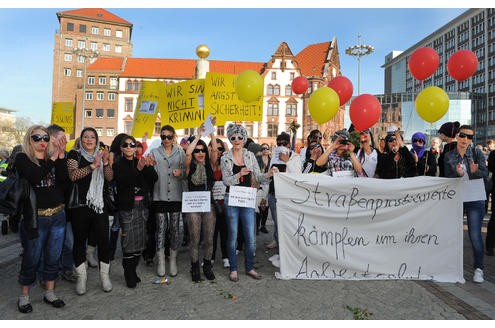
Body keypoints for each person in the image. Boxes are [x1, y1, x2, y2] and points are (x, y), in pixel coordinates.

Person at [15, 125, 68, 313]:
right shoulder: (22, 158)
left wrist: (60, 155)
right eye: (37, 138)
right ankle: (24, 296)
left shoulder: (51, 158)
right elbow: (35, 177)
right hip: (36, 218)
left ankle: (49, 292)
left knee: (53, 256)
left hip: (58, 216)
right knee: (32, 258)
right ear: (29, 139)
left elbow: (64, 182)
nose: (42, 141)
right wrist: (53, 158)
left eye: (45, 138)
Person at [221, 124, 272, 282]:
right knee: (233, 236)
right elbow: (226, 181)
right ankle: (234, 269)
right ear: (230, 139)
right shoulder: (225, 157)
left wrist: (269, 173)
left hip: (248, 198)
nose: (237, 140)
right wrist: (239, 174)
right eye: (233, 137)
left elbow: (258, 176)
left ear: (244, 139)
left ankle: (249, 267)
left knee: (250, 236)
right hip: (232, 198)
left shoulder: (250, 156)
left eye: (240, 137)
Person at [67, 127, 113, 295]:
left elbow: (109, 177)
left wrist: (105, 162)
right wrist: (93, 165)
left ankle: (104, 277)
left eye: (92, 137)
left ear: (96, 139)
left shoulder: (103, 155)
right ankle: (82, 278)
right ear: (81, 139)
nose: (88, 139)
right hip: (80, 207)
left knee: (104, 241)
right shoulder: (74, 155)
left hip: (100, 206)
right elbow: (73, 176)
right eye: (85, 136)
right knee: (79, 242)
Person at [444, 125, 488, 283]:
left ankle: (479, 268)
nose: (465, 139)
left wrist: (474, 172)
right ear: (457, 136)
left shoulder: (477, 153)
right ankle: (452, 267)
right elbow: (447, 178)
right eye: (463, 135)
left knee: (475, 235)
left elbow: (485, 174)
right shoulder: (449, 155)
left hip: (475, 198)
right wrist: (458, 174)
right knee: (453, 233)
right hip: (456, 198)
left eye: (469, 137)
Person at [113, 135, 157, 288]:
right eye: (125, 145)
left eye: (132, 144)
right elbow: (124, 182)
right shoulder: (118, 165)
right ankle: (128, 272)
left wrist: (150, 166)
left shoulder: (141, 161)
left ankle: (133, 270)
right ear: (121, 148)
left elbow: (154, 178)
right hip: (128, 208)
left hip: (142, 207)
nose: (129, 147)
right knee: (128, 242)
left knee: (140, 242)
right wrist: (138, 169)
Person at [149, 125, 185, 278]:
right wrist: (149, 167)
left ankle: (173, 260)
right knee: (161, 228)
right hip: (160, 194)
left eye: (169, 136)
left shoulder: (181, 152)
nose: (166, 139)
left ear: (174, 137)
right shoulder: (154, 152)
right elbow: (149, 174)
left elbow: (187, 171)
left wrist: (181, 172)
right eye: (163, 136)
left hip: (176, 195)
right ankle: (161, 260)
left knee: (175, 228)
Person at [184, 126, 219, 282]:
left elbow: (215, 152)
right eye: (197, 150)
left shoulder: (210, 164)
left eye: (202, 150)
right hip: (193, 206)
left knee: (209, 239)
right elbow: (188, 153)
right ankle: (194, 267)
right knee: (194, 239)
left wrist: (212, 135)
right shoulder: (189, 166)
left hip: (208, 205)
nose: (199, 153)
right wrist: (198, 136)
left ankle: (207, 266)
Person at [45, 124, 76, 283]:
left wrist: (62, 155)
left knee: (68, 244)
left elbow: (65, 181)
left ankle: (66, 269)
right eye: (61, 138)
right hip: (44, 211)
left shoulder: (66, 156)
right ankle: (48, 274)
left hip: (64, 208)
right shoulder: (42, 157)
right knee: (49, 246)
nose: (64, 141)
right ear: (51, 138)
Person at [266, 132, 302, 250]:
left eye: (284, 143)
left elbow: (298, 176)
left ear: (289, 145)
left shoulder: (295, 157)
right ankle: (277, 240)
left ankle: (287, 246)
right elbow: (269, 176)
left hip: (287, 195)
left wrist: (287, 161)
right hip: (274, 193)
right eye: (279, 143)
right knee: (277, 221)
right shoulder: (274, 157)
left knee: (286, 222)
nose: (281, 145)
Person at [210, 138, 229, 268]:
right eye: (213, 148)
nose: (217, 151)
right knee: (210, 232)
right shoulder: (206, 164)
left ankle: (225, 256)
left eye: (220, 149)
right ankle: (210, 257)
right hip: (210, 203)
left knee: (224, 231)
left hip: (224, 202)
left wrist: (226, 149)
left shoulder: (226, 163)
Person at [256, 143, 272, 233]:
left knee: (265, 206)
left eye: (266, 148)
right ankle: (257, 226)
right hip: (260, 184)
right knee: (258, 205)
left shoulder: (272, 160)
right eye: (263, 148)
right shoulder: (258, 160)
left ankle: (263, 225)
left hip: (268, 184)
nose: (265, 150)